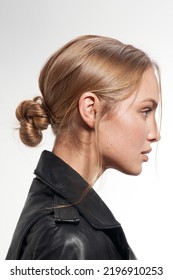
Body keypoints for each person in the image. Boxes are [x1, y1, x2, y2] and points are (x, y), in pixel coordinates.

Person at [6, 35, 161, 260]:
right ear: (91, 109)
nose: (155, 134)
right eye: (145, 111)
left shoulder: (63, 224)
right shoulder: (66, 239)